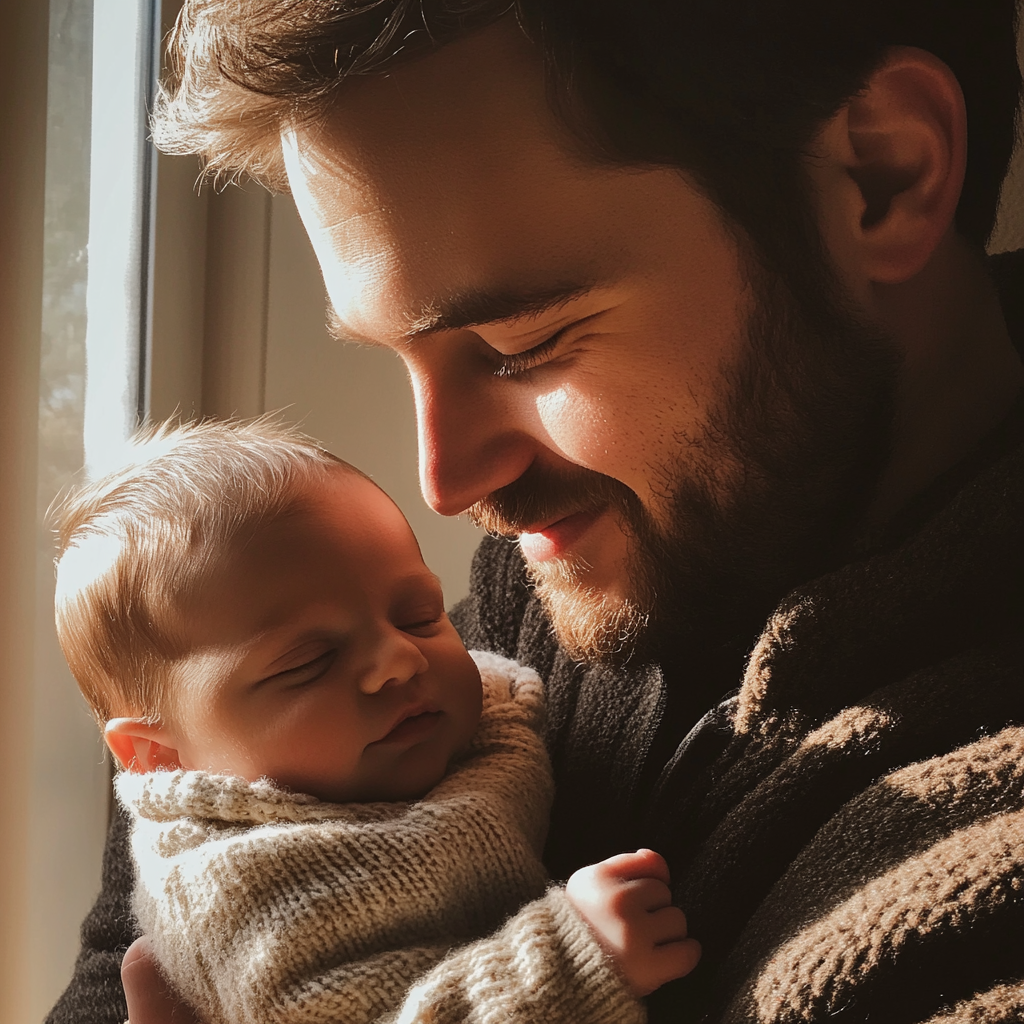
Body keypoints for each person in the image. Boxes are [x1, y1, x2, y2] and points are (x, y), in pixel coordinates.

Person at [48, 1, 1024, 1022]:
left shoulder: (977, 869)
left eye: (524, 344)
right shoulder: (542, 592)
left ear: (881, 176)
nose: (450, 482)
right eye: (399, 357)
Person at [51, 417, 698, 1024]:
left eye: (419, 614)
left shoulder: (478, 706)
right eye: (310, 661)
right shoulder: (253, 892)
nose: (397, 660)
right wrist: (571, 962)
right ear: (159, 756)